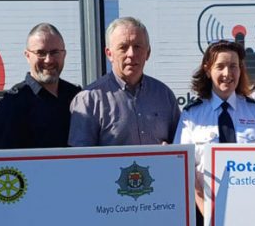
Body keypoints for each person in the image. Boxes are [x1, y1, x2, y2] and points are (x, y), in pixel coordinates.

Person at [174, 40, 255, 208]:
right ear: (208, 70)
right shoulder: (191, 115)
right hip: (205, 208)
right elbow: (183, 169)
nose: (227, 73)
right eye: (220, 66)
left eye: (233, 66)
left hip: (251, 205)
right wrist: (204, 209)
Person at [68, 17, 180, 146]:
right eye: (123, 47)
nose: (131, 54)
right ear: (109, 54)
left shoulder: (164, 95)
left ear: (148, 53)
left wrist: (171, 150)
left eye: (137, 46)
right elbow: (80, 159)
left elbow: (180, 147)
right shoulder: (89, 100)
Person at [0, 23, 81, 149]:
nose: (48, 60)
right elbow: (4, 163)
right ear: (27, 56)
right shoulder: (11, 105)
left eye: (55, 52)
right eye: (41, 53)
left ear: (64, 55)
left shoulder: (77, 97)